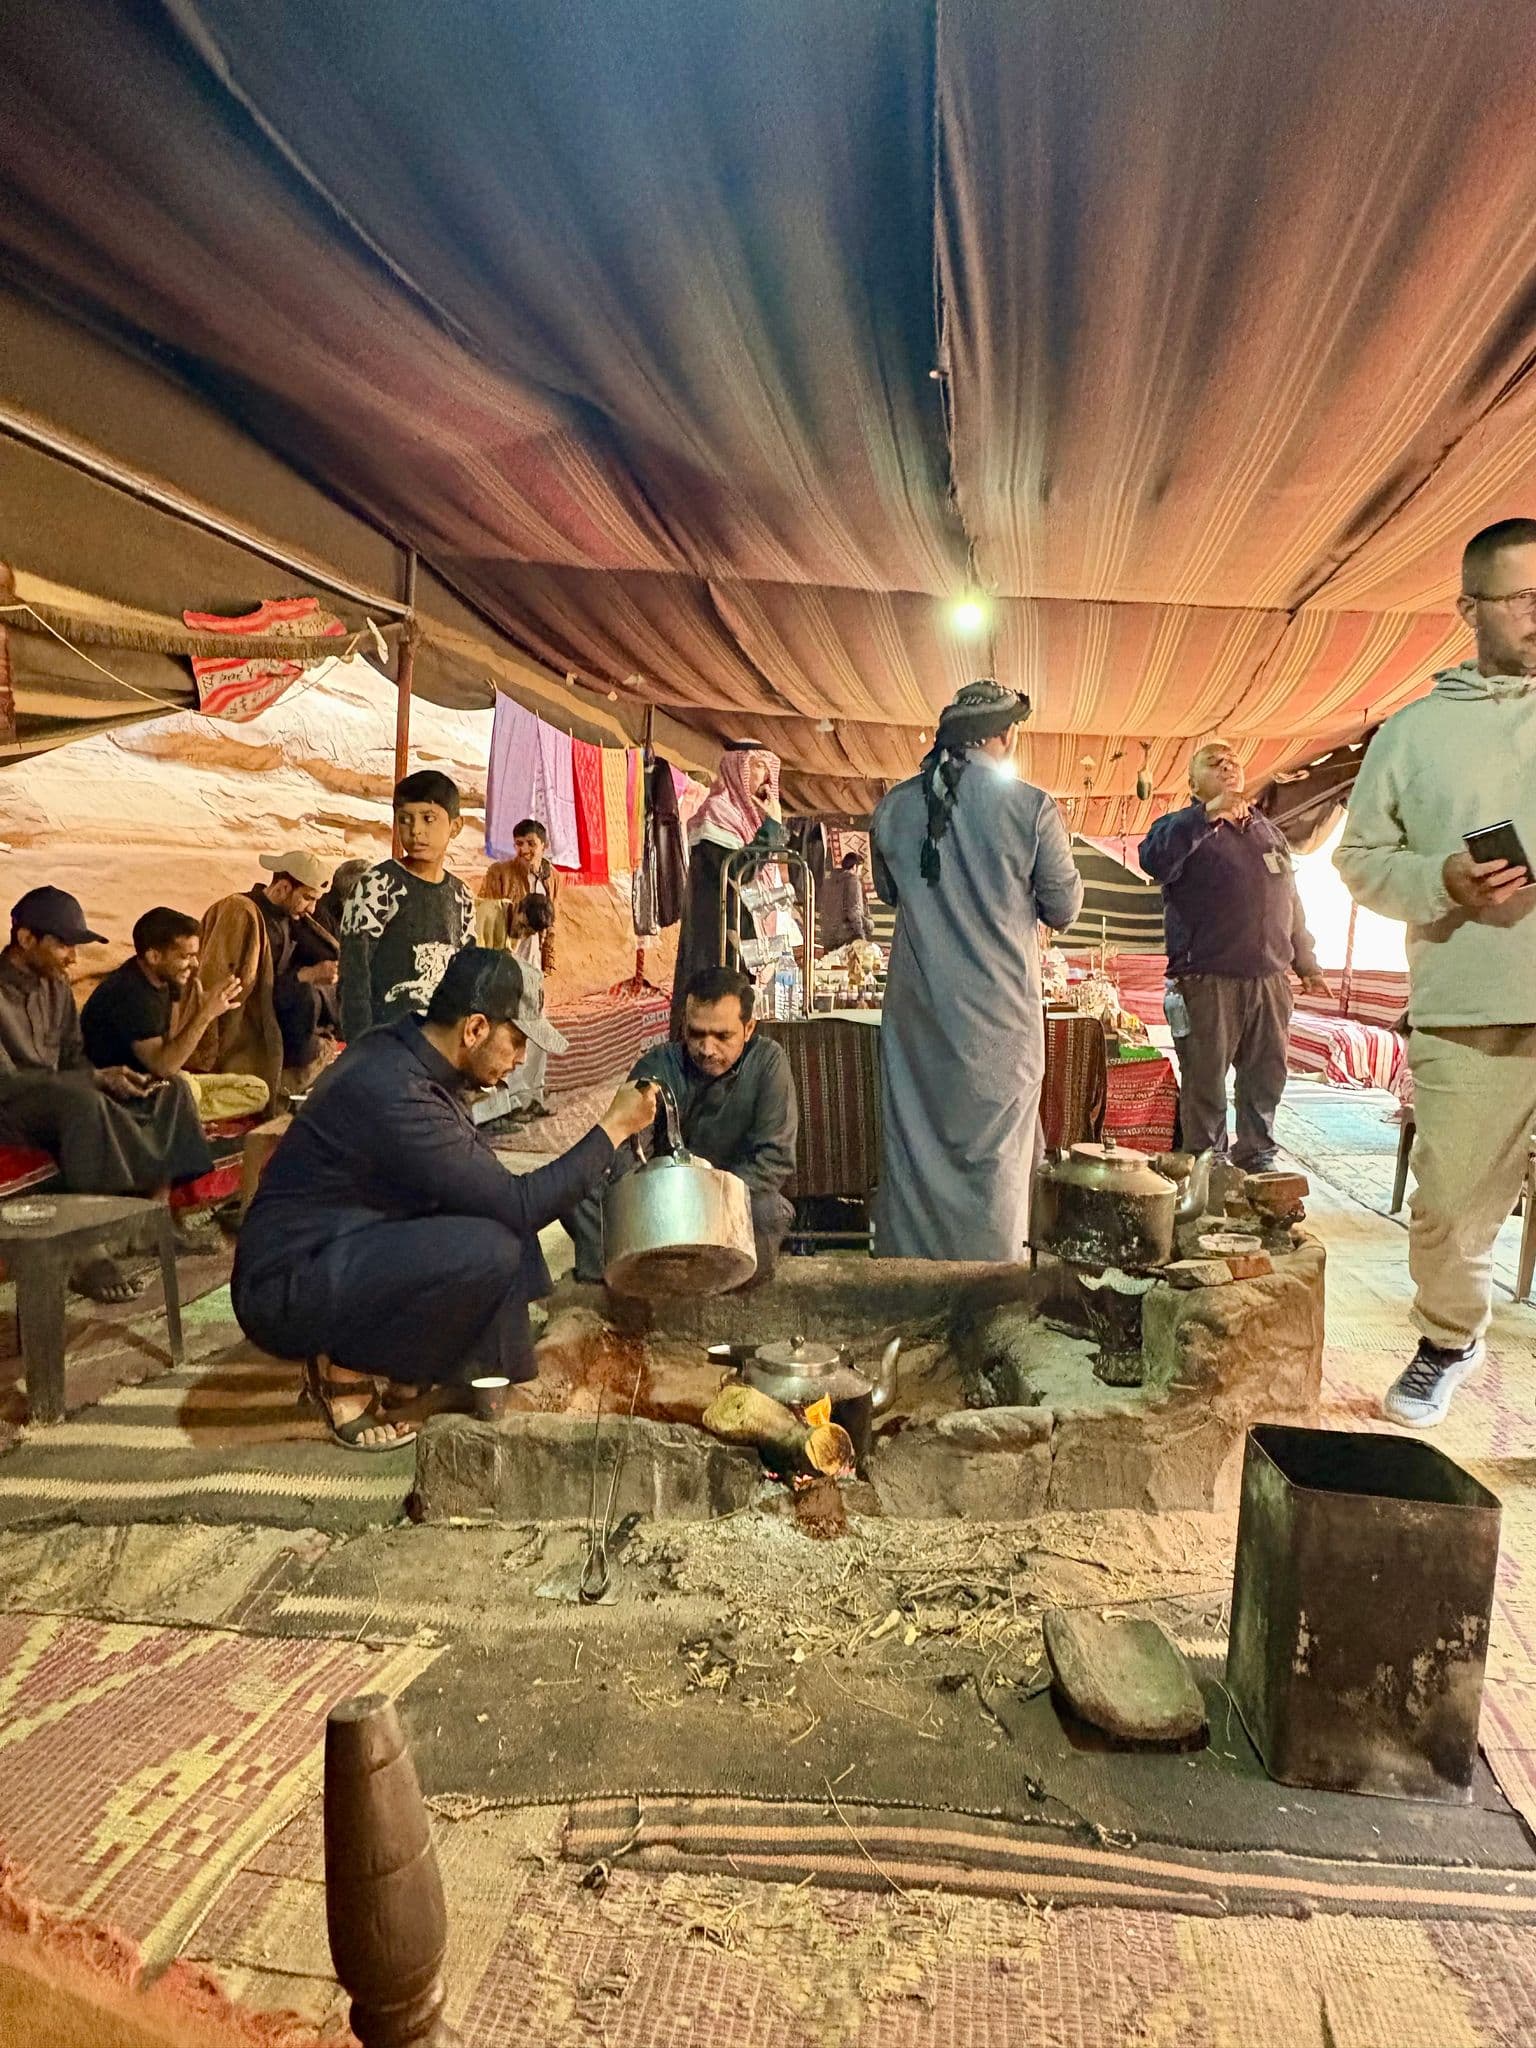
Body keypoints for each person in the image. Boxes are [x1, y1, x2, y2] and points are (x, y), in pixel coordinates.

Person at [232, 948, 655, 1450]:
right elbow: (520, 1204)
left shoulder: (411, 1051)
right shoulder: (397, 1090)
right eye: (516, 1041)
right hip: (285, 1286)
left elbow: (494, 1191)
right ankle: (342, 1376)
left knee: (495, 1226)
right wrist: (613, 1127)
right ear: (475, 1028)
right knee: (492, 1244)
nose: (520, 1059)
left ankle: (435, 1370)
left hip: (347, 1244)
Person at [1335, 516, 1536, 1427]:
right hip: (1470, 1006)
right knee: (1451, 1210)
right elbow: (1361, 860)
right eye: (1525, 597)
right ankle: (1448, 1341)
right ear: (1470, 608)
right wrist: (1441, 880)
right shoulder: (1410, 737)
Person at [870, 680, 1083, 1261]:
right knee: (996, 1164)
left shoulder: (894, 806)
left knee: (916, 1151)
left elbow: (889, 892)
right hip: (998, 1023)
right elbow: (1063, 908)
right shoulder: (1032, 808)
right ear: (1006, 736)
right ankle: (991, 1296)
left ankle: (911, 1287)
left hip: (918, 1022)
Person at [0, 888, 213, 1301]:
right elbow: (7, 1082)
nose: (73, 959)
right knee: (83, 1102)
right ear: (26, 940)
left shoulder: (56, 986)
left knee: (169, 1090)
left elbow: (74, 1057)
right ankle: (86, 1248)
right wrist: (91, 1082)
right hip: (13, 1104)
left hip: (66, 1096)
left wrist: (108, 1076)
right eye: (63, 944)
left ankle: (155, 1217)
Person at [1139, 740, 1329, 1171]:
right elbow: (1154, 861)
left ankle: (1257, 1158)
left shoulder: (1267, 831)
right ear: (1192, 782)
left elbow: (1291, 900)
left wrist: (1306, 960)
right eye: (1214, 762)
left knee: (1265, 1078)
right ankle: (1207, 1168)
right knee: (1205, 1083)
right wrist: (1207, 815)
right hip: (1206, 981)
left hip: (1270, 981)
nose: (1227, 765)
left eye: (1233, 761)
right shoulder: (1178, 829)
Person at [566, 965, 797, 1287]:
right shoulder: (658, 1066)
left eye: (722, 1036)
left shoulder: (769, 1063)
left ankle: (730, 1293)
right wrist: (669, 1198)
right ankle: (613, 1295)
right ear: (684, 1027)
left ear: (748, 1029)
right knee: (578, 1190)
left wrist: (705, 1198)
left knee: (768, 1211)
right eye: (697, 1034)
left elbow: (775, 1158)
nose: (707, 1049)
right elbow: (627, 1151)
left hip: (732, 1198)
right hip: (663, 1203)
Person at [80, 906, 267, 1119]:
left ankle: (184, 1110)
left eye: (195, 955)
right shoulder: (132, 995)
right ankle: (180, 1114)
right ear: (154, 956)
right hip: (131, 1091)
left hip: (167, 1079)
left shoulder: (168, 981)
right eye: (186, 956)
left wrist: (199, 1011)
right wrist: (205, 1015)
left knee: (256, 1088)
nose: (195, 964)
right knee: (186, 1088)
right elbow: (165, 1066)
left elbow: (172, 1043)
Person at [189, 851, 338, 1107]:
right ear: (283, 887)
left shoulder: (293, 917)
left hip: (281, 1012)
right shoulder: (239, 911)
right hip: (248, 1023)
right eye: (307, 898)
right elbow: (231, 983)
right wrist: (307, 976)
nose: (312, 908)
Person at [340, 771, 475, 1043]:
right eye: (405, 819)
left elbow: (467, 974)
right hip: (387, 1043)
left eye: (428, 818)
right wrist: (362, 1046)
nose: (415, 831)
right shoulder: (379, 884)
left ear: (455, 826)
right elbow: (354, 973)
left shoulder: (462, 896)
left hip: (440, 1043)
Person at [670, 744, 784, 1037]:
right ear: (738, 768)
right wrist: (771, 828)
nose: (766, 776)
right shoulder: (716, 815)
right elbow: (738, 872)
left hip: (737, 937)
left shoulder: (744, 821)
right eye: (758, 765)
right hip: (717, 939)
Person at [479, 818, 560, 976]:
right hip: (504, 961)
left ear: (544, 846)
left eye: (531, 843)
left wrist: (548, 960)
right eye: (519, 843)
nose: (524, 849)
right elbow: (486, 918)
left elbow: (552, 921)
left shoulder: (553, 877)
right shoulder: (499, 873)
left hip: (534, 961)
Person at [820, 851, 873, 952]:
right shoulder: (853, 881)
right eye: (860, 870)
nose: (860, 874)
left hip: (828, 938)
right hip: (845, 939)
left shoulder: (829, 881)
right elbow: (853, 912)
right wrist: (861, 938)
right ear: (854, 867)